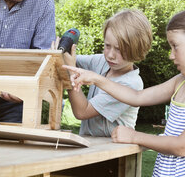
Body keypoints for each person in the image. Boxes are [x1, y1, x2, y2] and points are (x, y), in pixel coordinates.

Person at [64, 7, 185, 176]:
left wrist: (135, 136)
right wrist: (96, 78)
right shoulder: (181, 81)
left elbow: (182, 146)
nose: (171, 55)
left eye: (175, 46)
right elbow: (136, 97)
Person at [58, 9, 152, 137]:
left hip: (116, 151)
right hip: (92, 146)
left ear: (137, 50)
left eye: (119, 49)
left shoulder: (130, 84)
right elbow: (70, 60)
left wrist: (70, 70)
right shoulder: (101, 61)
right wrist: (58, 52)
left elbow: (82, 112)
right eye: (107, 46)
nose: (110, 55)